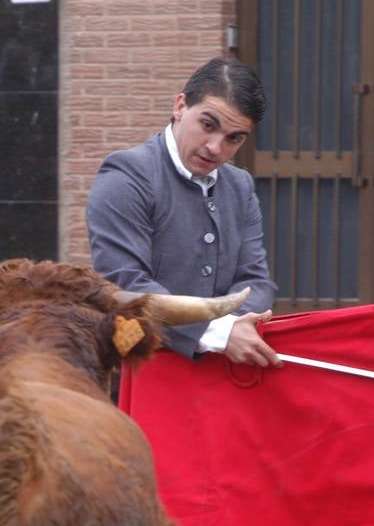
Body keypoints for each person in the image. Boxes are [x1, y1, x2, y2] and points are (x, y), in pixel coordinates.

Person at [86, 57, 282, 369]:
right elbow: (124, 282)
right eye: (208, 125)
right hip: (141, 369)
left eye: (234, 138)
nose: (216, 148)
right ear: (180, 107)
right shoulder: (126, 175)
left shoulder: (239, 185)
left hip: (220, 373)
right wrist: (217, 332)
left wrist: (233, 328)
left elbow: (255, 279)